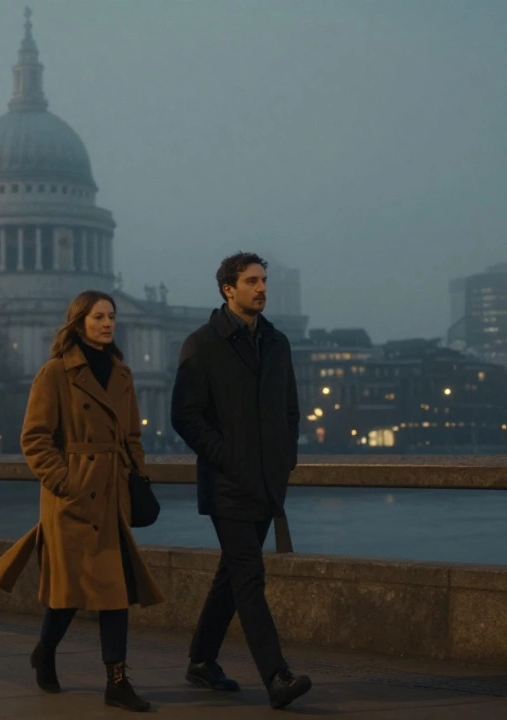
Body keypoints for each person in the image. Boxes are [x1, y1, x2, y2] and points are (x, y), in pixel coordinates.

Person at [0, 290, 164, 713]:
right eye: (98, 316)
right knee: (68, 595)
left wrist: (135, 474)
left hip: (110, 497)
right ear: (79, 321)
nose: (107, 323)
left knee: (114, 591)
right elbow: (34, 439)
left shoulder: (122, 374)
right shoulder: (54, 373)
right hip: (72, 501)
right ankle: (46, 651)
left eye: (112, 317)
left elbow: (132, 436)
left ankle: (116, 682)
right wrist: (66, 483)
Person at [170, 252, 312, 709]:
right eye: (252, 281)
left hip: (268, 481)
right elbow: (185, 416)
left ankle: (201, 660)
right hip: (228, 484)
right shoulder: (202, 344)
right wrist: (225, 458)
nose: (262, 287)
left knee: (231, 575)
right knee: (249, 575)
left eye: (264, 279)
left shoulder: (277, 343)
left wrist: (284, 457)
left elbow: (290, 410)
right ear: (228, 289)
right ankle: (276, 676)